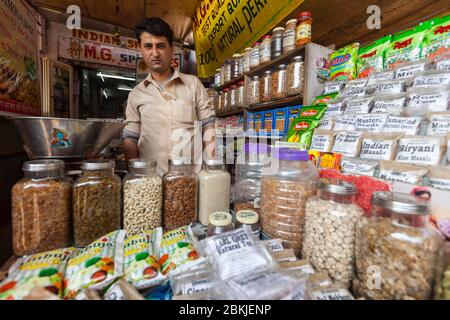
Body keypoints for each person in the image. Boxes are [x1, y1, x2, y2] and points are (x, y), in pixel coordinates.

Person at [122, 17, 216, 175]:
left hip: (190, 179)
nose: (155, 53)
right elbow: (130, 137)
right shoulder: (136, 94)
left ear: (171, 49)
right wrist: (134, 176)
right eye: (148, 46)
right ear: (141, 49)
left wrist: (211, 168)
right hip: (152, 182)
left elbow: (208, 126)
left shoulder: (193, 84)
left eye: (160, 46)